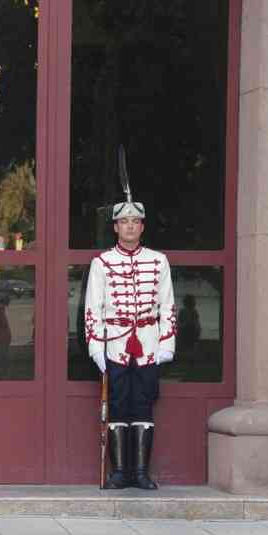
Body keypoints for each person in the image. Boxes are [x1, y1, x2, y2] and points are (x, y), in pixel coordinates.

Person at [85, 198, 175, 490]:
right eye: (124, 222)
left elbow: (167, 305)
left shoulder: (158, 261)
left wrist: (166, 343)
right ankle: (119, 473)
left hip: (148, 343)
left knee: (143, 405)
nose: (130, 227)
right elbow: (93, 309)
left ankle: (140, 473)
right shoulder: (101, 263)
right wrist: (96, 347)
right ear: (115, 227)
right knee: (118, 404)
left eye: (135, 222)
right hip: (115, 343)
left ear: (142, 227)